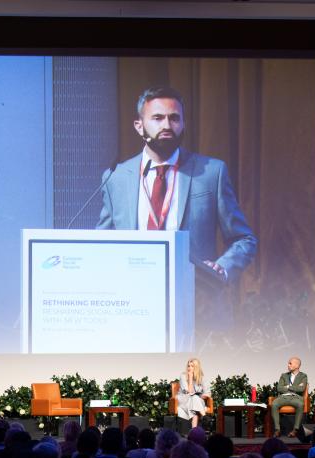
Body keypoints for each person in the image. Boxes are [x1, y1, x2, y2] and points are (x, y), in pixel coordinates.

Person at [96, 86, 257, 334]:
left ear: (183, 124)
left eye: (174, 118)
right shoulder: (116, 177)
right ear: (139, 126)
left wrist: (222, 268)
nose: (167, 125)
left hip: (199, 312)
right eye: (158, 118)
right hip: (133, 312)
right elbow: (101, 245)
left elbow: (244, 239)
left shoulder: (211, 172)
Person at [272, 356, 308, 438]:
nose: (288, 365)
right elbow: (279, 388)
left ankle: (295, 430)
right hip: (284, 397)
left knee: (300, 405)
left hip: (296, 397)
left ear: (297, 366)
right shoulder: (284, 375)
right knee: (274, 404)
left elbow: (301, 389)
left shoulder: (303, 376)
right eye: (288, 363)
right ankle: (277, 430)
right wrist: (295, 387)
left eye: (290, 363)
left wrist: (288, 387)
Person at [176, 358, 207, 427]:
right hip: (184, 399)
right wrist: (190, 378)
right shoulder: (183, 376)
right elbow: (189, 392)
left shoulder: (201, 377)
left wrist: (203, 395)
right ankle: (204, 416)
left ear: (196, 367)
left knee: (194, 403)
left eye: (192, 366)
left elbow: (207, 391)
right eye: (188, 366)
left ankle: (193, 432)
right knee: (194, 398)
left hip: (196, 401)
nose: (189, 368)